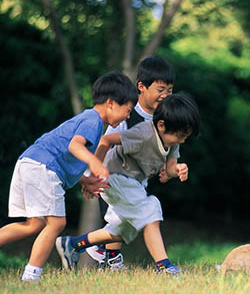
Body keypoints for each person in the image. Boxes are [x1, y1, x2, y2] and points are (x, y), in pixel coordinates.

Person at [0, 71, 138, 281]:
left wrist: (85, 180)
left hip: (30, 162)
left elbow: (66, 156)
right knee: (56, 224)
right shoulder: (94, 121)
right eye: (127, 110)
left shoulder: (87, 118)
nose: (128, 116)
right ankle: (31, 276)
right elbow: (74, 146)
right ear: (111, 103)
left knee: (34, 224)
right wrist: (94, 162)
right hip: (42, 167)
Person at [56, 93, 200, 275]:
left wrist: (177, 169)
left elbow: (169, 168)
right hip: (115, 178)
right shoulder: (143, 134)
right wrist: (94, 174)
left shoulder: (173, 141)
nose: (182, 140)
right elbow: (106, 140)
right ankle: (163, 265)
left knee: (124, 229)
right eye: (180, 135)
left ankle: (73, 244)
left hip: (133, 184)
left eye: (185, 136)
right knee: (151, 208)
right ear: (162, 125)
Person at [80, 57, 175, 271]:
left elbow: (159, 150)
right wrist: (92, 176)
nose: (165, 95)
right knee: (139, 215)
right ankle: (159, 264)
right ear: (141, 87)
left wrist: (168, 169)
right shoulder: (127, 116)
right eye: (161, 89)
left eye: (169, 90)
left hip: (137, 180)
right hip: (114, 178)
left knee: (122, 225)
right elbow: (106, 144)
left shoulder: (165, 117)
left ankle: (88, 248)